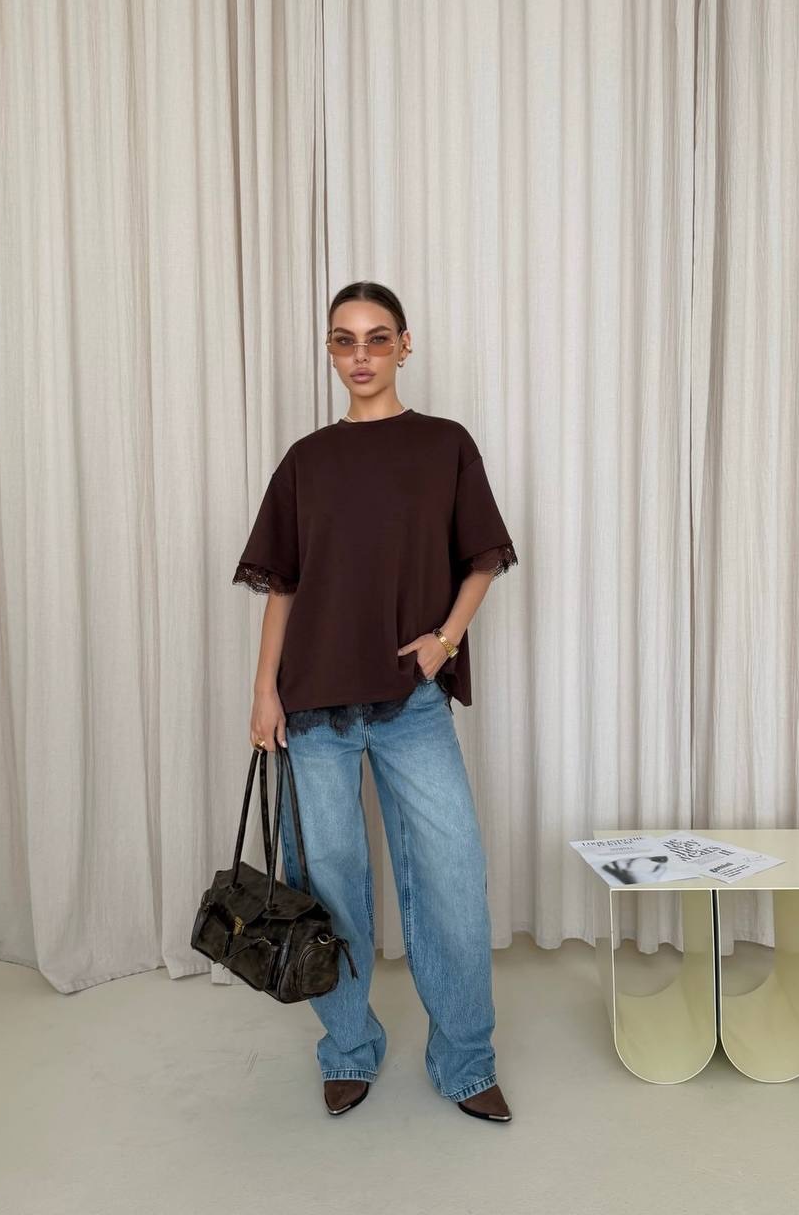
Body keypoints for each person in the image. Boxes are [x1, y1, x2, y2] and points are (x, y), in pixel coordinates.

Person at [232, 281, 518, 1122]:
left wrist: (445, 641)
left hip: (409, 705)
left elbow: (483, 558)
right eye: (344, 340)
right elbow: (283, 587)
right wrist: (263, 691)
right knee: (331, 890)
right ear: (330, 350)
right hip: (313, 709)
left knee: (452, 879)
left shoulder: (444, 445)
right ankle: (349, 1048)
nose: (360, 355)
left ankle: (465, 1060)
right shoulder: (307, 460)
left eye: (377, 337)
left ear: (404, 345)